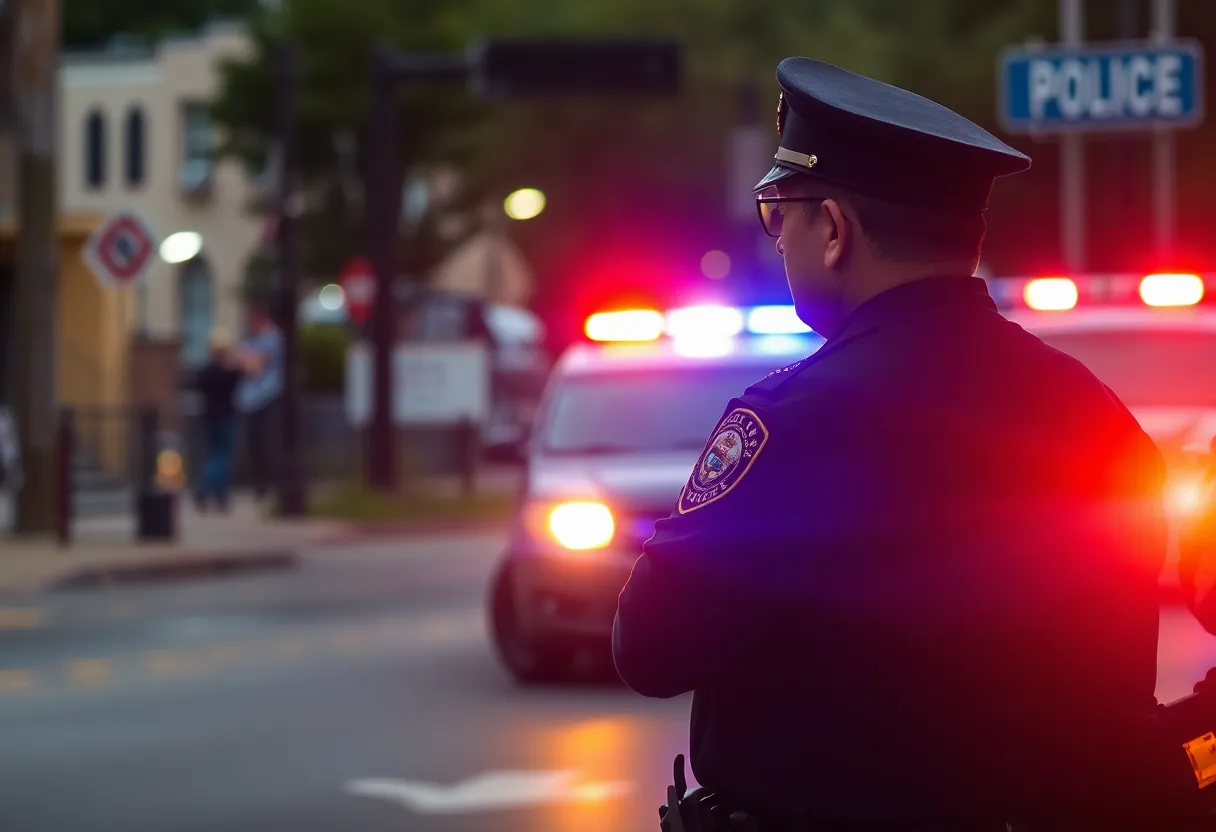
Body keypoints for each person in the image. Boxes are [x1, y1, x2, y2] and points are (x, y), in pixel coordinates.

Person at [613, 57, 1204, 829]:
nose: (778, 239)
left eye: (779, 212)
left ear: (833, 229)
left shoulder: (794, 420)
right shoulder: (1094, 415)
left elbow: (650, 649)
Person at [235, 302, 284, 500]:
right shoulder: (251, 340)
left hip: (268, 398)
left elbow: (253, 366)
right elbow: (238, 361)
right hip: (251, 401)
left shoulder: (273, 338)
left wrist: (245, 360)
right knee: (254, 445)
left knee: (267, 444)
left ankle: (271, 484)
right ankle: (260, 485)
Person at [193, 328, 245, 512]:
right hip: (226, 418)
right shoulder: (229, 374)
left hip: (209, 417)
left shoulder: (205, 372)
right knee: (222, 457)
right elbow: (246, 369)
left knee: (214, 454)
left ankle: (220, 495)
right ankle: (204, 487)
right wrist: (235, 356)